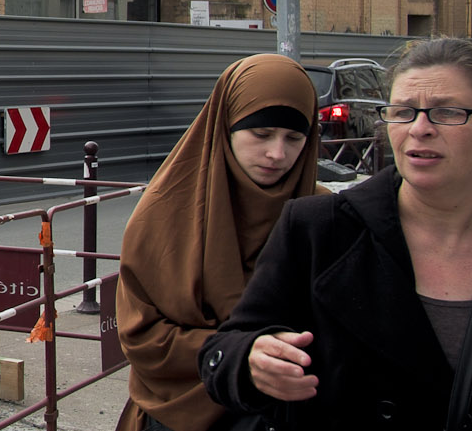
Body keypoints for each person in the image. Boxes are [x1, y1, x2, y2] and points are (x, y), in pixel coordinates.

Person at [200, 37, 472, 430]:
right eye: (403, 112)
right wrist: (251, 359)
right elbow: (224, 351)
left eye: (447, 113)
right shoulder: (320, 228)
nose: (419, 129)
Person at [116, 53, 324, 431]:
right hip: (178, 416)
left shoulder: (324, 216)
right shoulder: (164, 217)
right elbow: (142, 337)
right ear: (224, 127)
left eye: (295, 138)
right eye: (260, 134)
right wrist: (243, 360)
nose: (277, 154)